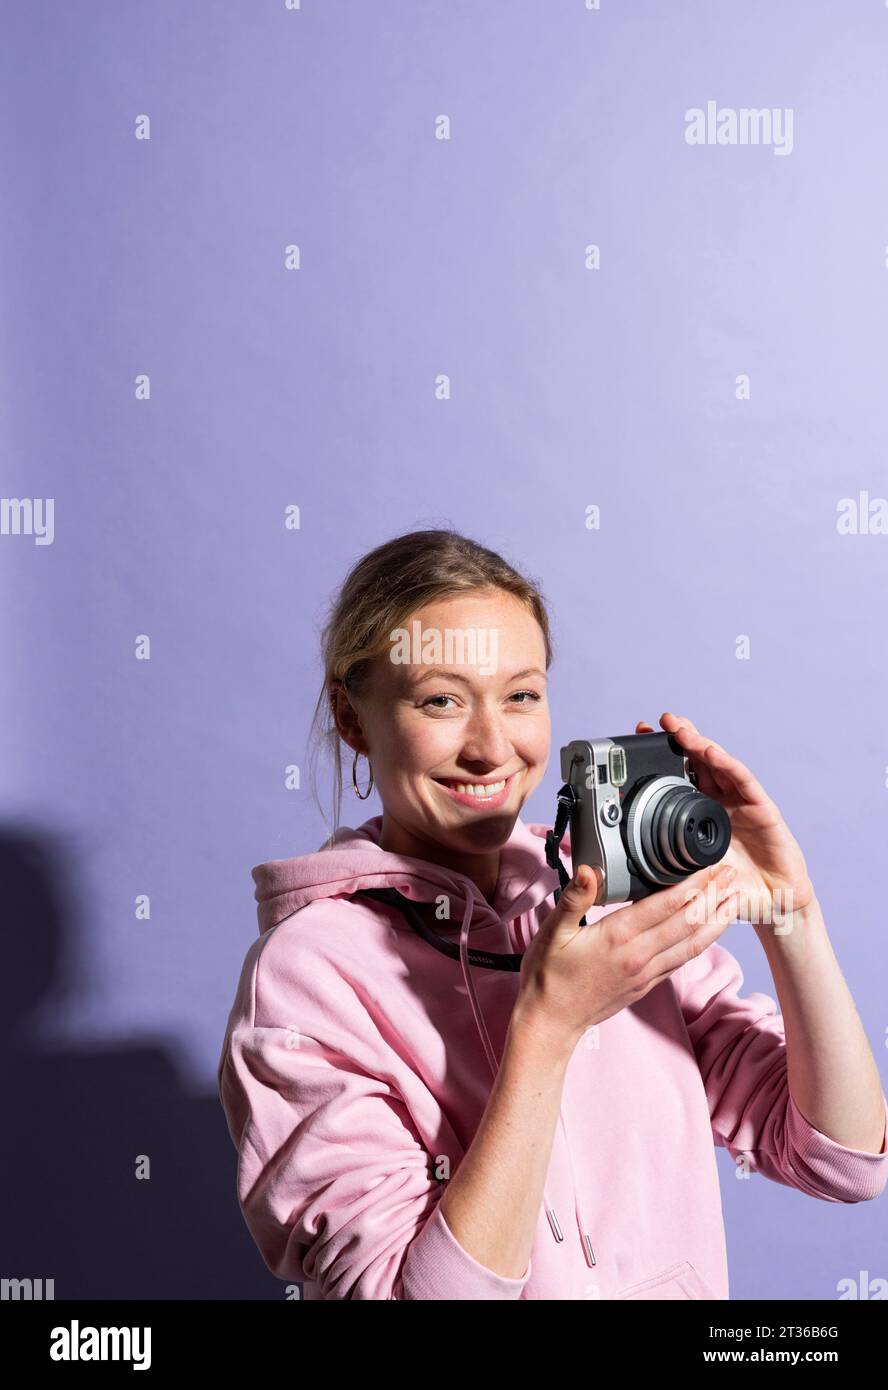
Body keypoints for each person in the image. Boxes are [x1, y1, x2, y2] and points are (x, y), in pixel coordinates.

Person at [217, 528, 888, 1300]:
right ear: (352, 717)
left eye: (521, 696)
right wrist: (549, 1026)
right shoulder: (308, 977)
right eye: (441, 700)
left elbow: (842, 1158)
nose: (492, 747)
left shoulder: (609, 896)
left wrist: (791, 915)